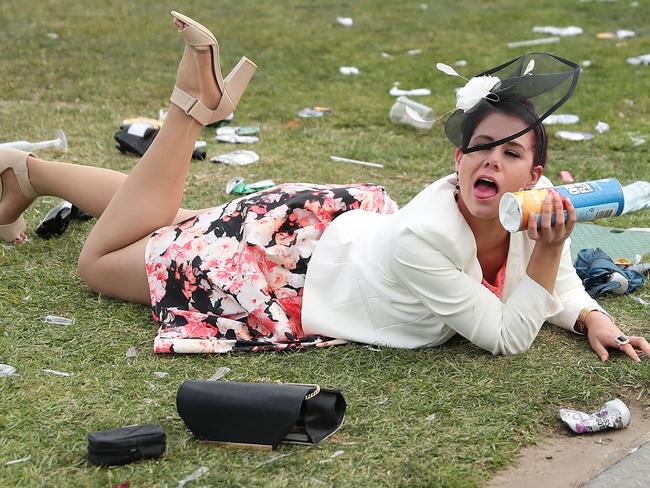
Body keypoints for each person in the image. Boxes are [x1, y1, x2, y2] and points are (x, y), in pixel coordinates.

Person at [0, 13, 647, 361]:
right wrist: (555, 251)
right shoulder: (427, 235)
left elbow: (538, 271)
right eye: (478, 147)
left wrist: (592, 315)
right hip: (284, 266)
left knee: (175, 221)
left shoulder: (515, 211)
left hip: (328, 225)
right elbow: (507, 335)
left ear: (534, 177)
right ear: (456, 160)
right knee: (98, 263)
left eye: (510, 153)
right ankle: (190, 109)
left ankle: (25, 172)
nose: (492, 161)